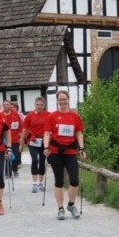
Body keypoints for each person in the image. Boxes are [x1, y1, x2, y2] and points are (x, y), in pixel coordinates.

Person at [43, 90, 86, 220]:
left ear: (68, 100)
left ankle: (71, 205)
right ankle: (60, 208)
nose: (62, 101)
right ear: (57, 101)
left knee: (74, 179)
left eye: (64, 99)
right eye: (60, 99)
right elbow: (46, 133)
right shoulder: (52, 116)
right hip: (56, 152)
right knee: (59, 181)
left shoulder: (74, 116)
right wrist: (46, 147)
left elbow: (78, 133)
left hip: (70, 152)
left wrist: (81, 148)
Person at [19, 97, 50, 193]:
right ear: (35, 105)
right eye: (38, 105)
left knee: (42, 160)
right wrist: (21, 144)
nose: (39, 107)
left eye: (41, 105)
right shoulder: (30, 115)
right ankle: (34, 183)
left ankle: (40, 183)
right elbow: (24, 130)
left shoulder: (48, 115)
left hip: (44, 141)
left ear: (44, 106)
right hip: (33, 140)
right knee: (34, 159)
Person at [2, 100, 23, 177]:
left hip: (14, 139)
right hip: (5, 140)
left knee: (16, 156)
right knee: (6, 156)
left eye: (7, 104)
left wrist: (21, 136)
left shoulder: (15, 114)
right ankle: (8, 172)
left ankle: (15, 169)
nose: (6, 106)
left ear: (10, 105)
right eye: (4, 105)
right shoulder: (0, 115)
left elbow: (20, 126)